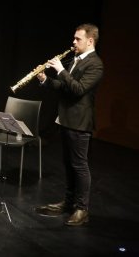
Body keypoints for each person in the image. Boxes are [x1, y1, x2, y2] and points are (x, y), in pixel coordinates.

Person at [35, 23, 104, 226]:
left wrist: (61, 69)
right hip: (66, 119)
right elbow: (64, 87)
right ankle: (69, 202)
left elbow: (78, 89)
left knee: (80, 166)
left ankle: (82, 209)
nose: (73, 42)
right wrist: (45, 80)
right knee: (68, 164)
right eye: (74, 38)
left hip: (80, 122)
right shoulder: (76, 59)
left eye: (78, 39)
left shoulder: (96, 64)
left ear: (90, 41)